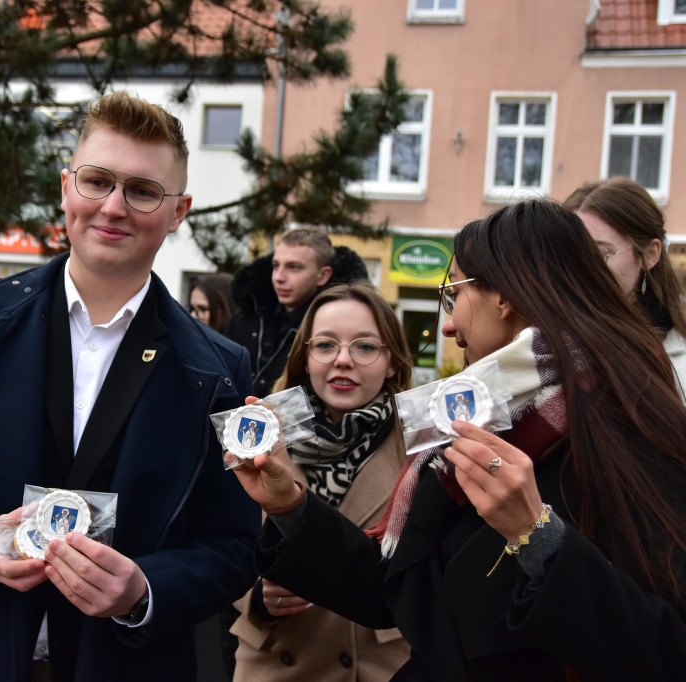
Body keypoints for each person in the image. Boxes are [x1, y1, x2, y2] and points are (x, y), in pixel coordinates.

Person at [0, 92, 259, 682]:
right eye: (96, 181)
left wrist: (145, 588)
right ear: (67, 188)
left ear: (179, 210)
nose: (113, 207)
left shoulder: (218, 367)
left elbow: (234, 543)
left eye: (141, 190)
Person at [231, 200, 686, 681]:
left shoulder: (627, 424)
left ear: (503, 298)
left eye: (452, 294)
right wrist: (291, 508)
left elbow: (661, 648)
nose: (446, 325)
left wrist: (537, 536)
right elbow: (397, 589)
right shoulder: (478, 422)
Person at [231, 282, 412, 682]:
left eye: (364, 347)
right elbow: (222, 542)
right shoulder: (257, 435)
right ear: (305, 356)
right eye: (326, 345)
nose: (342, 360)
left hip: (380, 666)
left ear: (393, 362)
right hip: (278, 660)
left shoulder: (422, 446)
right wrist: (256, 599)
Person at [564, 176, 686, 399]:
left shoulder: (679, 361)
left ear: (650, 255)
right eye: (572, 253)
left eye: (602, 253)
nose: (583, 267)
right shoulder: (545, 340)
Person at [224, 228, 368, 396]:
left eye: (294, 267)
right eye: (276, 266)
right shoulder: (245, 317)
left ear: (322, 276)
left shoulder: (335, 329)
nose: (279, 277)